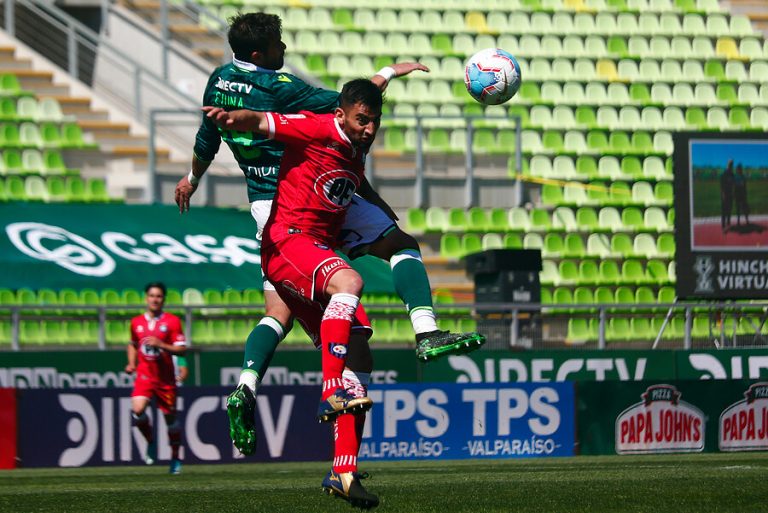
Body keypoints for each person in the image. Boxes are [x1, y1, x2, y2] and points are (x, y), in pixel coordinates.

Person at [173, 12, 485, 456]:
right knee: (345, 310)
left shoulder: (218, 79)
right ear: (261, 53)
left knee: (281, 313)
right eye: (279, 44)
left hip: (277, 200)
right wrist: (385, 74)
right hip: (299, 193)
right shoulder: (281, 88)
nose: (285, 50)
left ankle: (249, 387)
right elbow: (345, 107)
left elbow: (208, 137)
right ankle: (355, 381)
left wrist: (192, 178)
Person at [203, 78, 387, 508]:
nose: (369, 128)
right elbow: (266, 122)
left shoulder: (354, 145)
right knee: (350, 282)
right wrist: (233, 119)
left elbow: (355, 166)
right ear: (341, 114)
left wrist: (389, 73)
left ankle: (343, 471)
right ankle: (329, 389)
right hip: (288, 241)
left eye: (375, 121)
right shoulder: (318, 126)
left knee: (359, 353)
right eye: (363, 120)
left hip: (314, 249)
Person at [125, 282, 187, 475]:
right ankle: (151, 441)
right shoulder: (136, 322)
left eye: (159, 296)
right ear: (146, 298)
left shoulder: (172, 321)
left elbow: (181, 348)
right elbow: (133, 344)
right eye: (152, 295)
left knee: (170, 420)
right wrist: (132, 363)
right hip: (144, 376)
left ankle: (175, 457)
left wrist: (162, 344)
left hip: (165, 379)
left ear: (163, 299)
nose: (155, 299)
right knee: (137, 410)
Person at [720, 159, 734, 232]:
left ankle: (728, 223)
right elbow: (721, 185)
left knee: (729, 210)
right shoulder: (724, 173)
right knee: (724, 211)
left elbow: (733, 184)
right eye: (730, 164)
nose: (731, 165)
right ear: (727, 164)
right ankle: (723, 226)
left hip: (730, 195)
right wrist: (723, 194)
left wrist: (733, 192)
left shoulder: (732, 174)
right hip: (725, 195)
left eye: (732, 164)